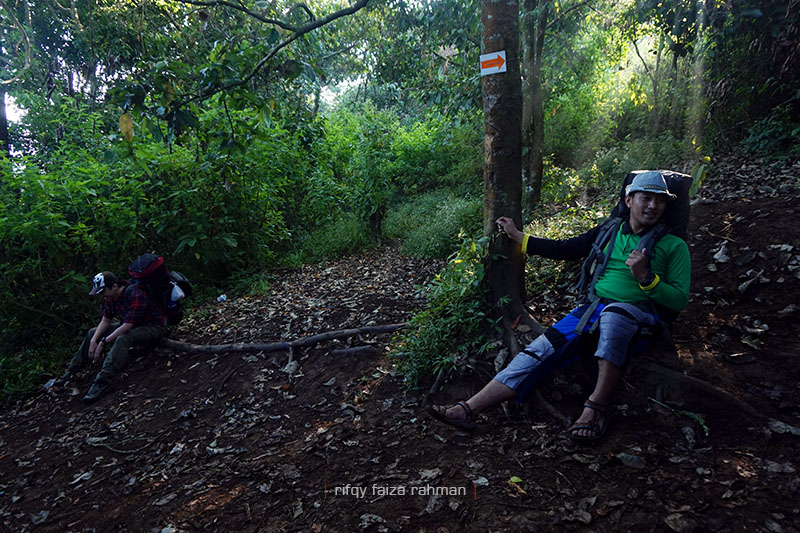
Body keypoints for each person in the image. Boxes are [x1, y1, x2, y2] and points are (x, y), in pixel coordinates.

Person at [426, 171, 691, 440]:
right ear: (628, 200)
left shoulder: (674, 246)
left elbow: (680, 299)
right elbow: (566, 249)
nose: (652, 206)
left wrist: (646, 278)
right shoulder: (609, 232)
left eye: (660, 201)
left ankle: (595, 408)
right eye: (645, 198)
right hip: (592, 311)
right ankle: (467, 409)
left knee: (614, 314)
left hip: (640, 320)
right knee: (537, 350)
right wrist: (518, 236)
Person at [56, 271, 167, 403]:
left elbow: (127, 326)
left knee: (123, 339)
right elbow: (106, 320)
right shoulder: (110, 298)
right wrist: (94, 340)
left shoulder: (135, 294)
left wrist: (103, 342)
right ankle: (71, 370)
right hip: (134, 326)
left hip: (153, 327)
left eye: (103, 291)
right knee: (93, 332)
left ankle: (102, 381)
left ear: (114, 286)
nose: (102, 295)